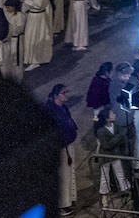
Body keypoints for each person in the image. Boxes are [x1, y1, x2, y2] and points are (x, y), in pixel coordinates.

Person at [45, 84, 79, 217]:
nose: (67, 95)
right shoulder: (50, 110)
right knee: (63, 176)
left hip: (68, 143)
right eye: (64, 93)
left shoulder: (63, 107)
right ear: (56, 95)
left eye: (67, 92)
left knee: (70, 173)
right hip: (60, 147)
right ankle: (62, 205)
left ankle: (70, 199)